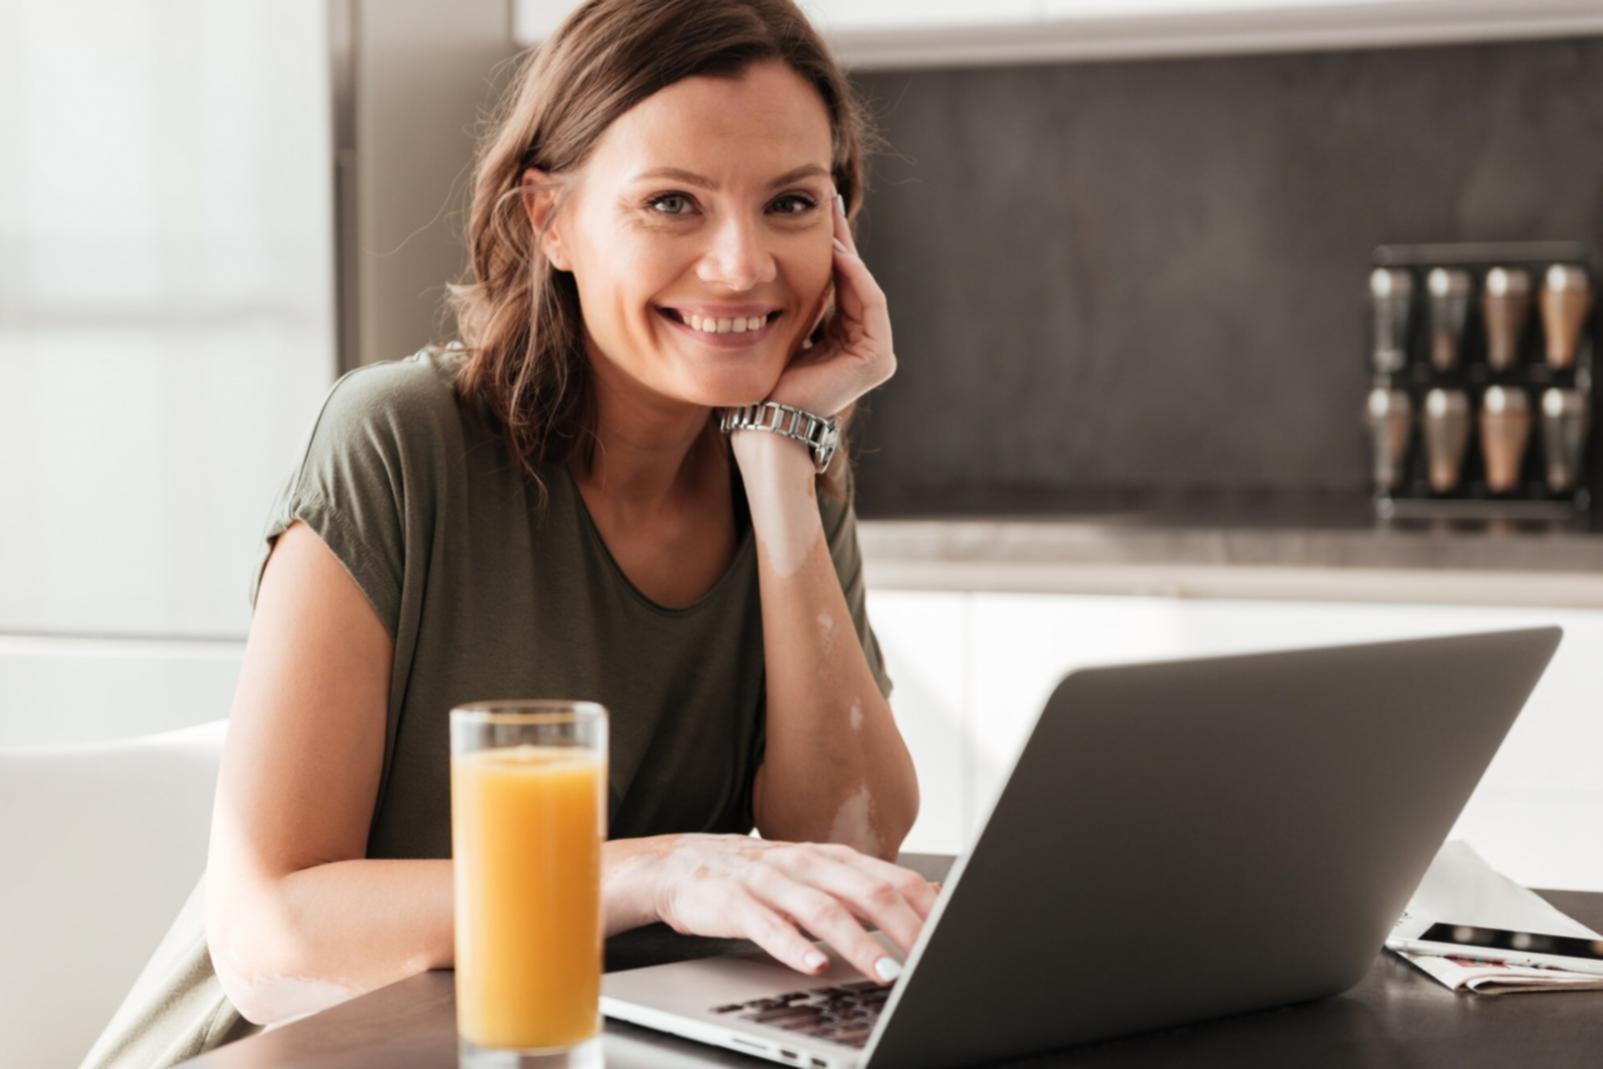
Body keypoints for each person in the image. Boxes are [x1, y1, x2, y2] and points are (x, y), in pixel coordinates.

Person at [80, 1, 934, 1065]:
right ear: (550, 222)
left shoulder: (784, 466)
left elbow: (844, 844)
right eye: (673, 202)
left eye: (792, 203)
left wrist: (777, 459)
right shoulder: (397, 443)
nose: (740, 264)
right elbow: (270, 938)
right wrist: (655, 870)